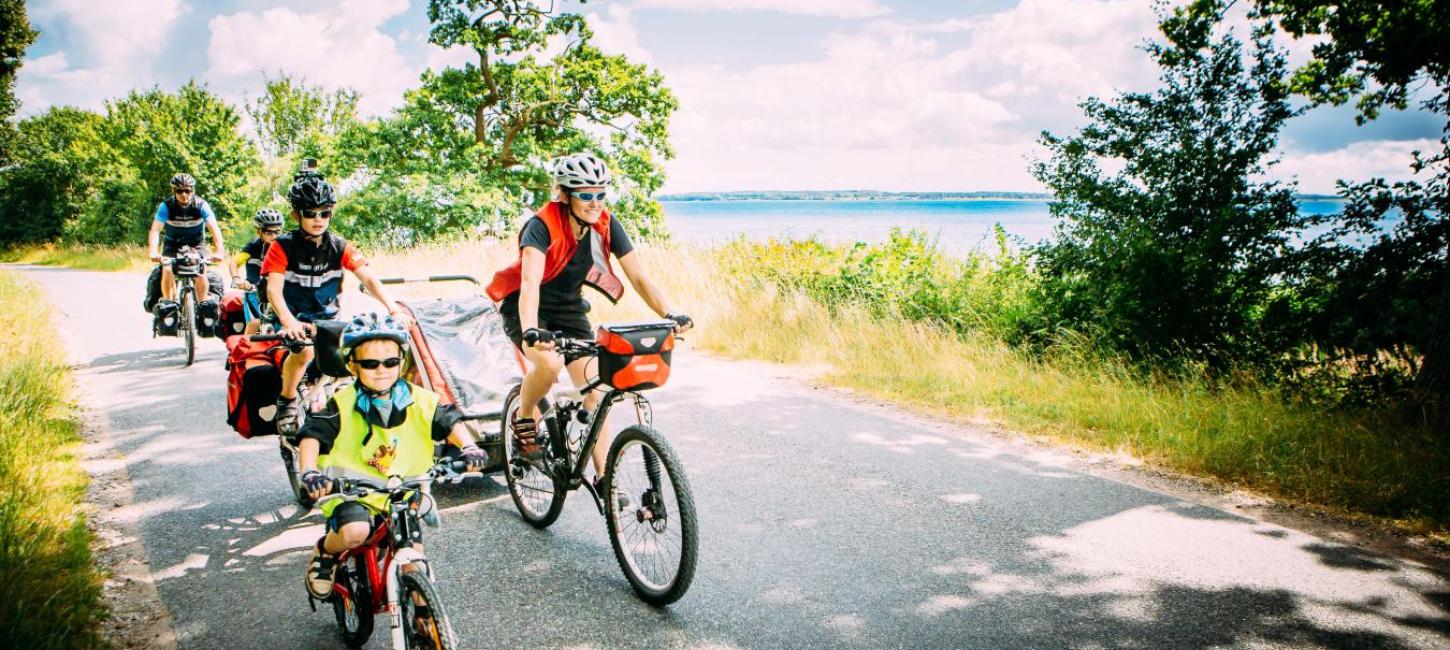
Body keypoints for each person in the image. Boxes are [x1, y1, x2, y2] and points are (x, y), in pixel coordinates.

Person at [485, 153, 693, 488]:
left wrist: (669, 314)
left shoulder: (607, 225)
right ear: (565, 196)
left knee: (597, 388)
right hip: (528, 310)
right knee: (549, 366)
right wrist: (531, 332)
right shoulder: (541, 226)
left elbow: (639, 277)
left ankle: (604, 480)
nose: (594, 202)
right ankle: (524, 419)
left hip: (569, 312)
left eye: (600, 194)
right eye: (585, 195)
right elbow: (529, 283)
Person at [296, 313, 488, 600]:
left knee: (415, 561)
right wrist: (310, 472)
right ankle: (325, 552)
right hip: (353, 494)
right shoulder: (342, 403)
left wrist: (470, 448)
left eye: (391, 362)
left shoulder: (421, 400)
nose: (382, 370)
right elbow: (312, 435)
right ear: (352, 365)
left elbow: (450, 422)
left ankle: (425, 616)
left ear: (403, 361)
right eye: (370, 363)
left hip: (402, 493)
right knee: (354, 533)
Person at [262, 168, 411, 435]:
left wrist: (393, 308)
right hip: (292, 319)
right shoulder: (282, 246)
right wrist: (288, 321)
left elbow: (369, 279)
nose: (318, 219)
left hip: (326, 321)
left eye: (325, 213)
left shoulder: (339, 246)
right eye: (310, 213)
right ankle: (286, 401)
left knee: (363, 355)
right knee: (304, 351)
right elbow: (274, 290)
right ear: (297, 215)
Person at [147, 173, 226, 321]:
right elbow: (155, 230)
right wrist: (153, 251)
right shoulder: (166, 206)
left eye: (188, 190)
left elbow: (214, 229)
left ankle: (204, 308)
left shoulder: (201, 205)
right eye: (179, 191)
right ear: (174, 192)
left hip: (197, 244)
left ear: (193, 191)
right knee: (167, 268)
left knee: (201, 270)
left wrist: (219, 251)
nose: (184, 194)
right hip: (172, 244)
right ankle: (169, 307)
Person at [228, 208, 284, 335]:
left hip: (279, 292)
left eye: (277, 232)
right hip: (254, 292)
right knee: (255, 323)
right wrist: (237, 279)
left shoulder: (285, 247)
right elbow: (234, 262)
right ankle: (245, 351)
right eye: (268, 232)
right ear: (259, 232)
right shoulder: (252, 247)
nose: (274, 236)